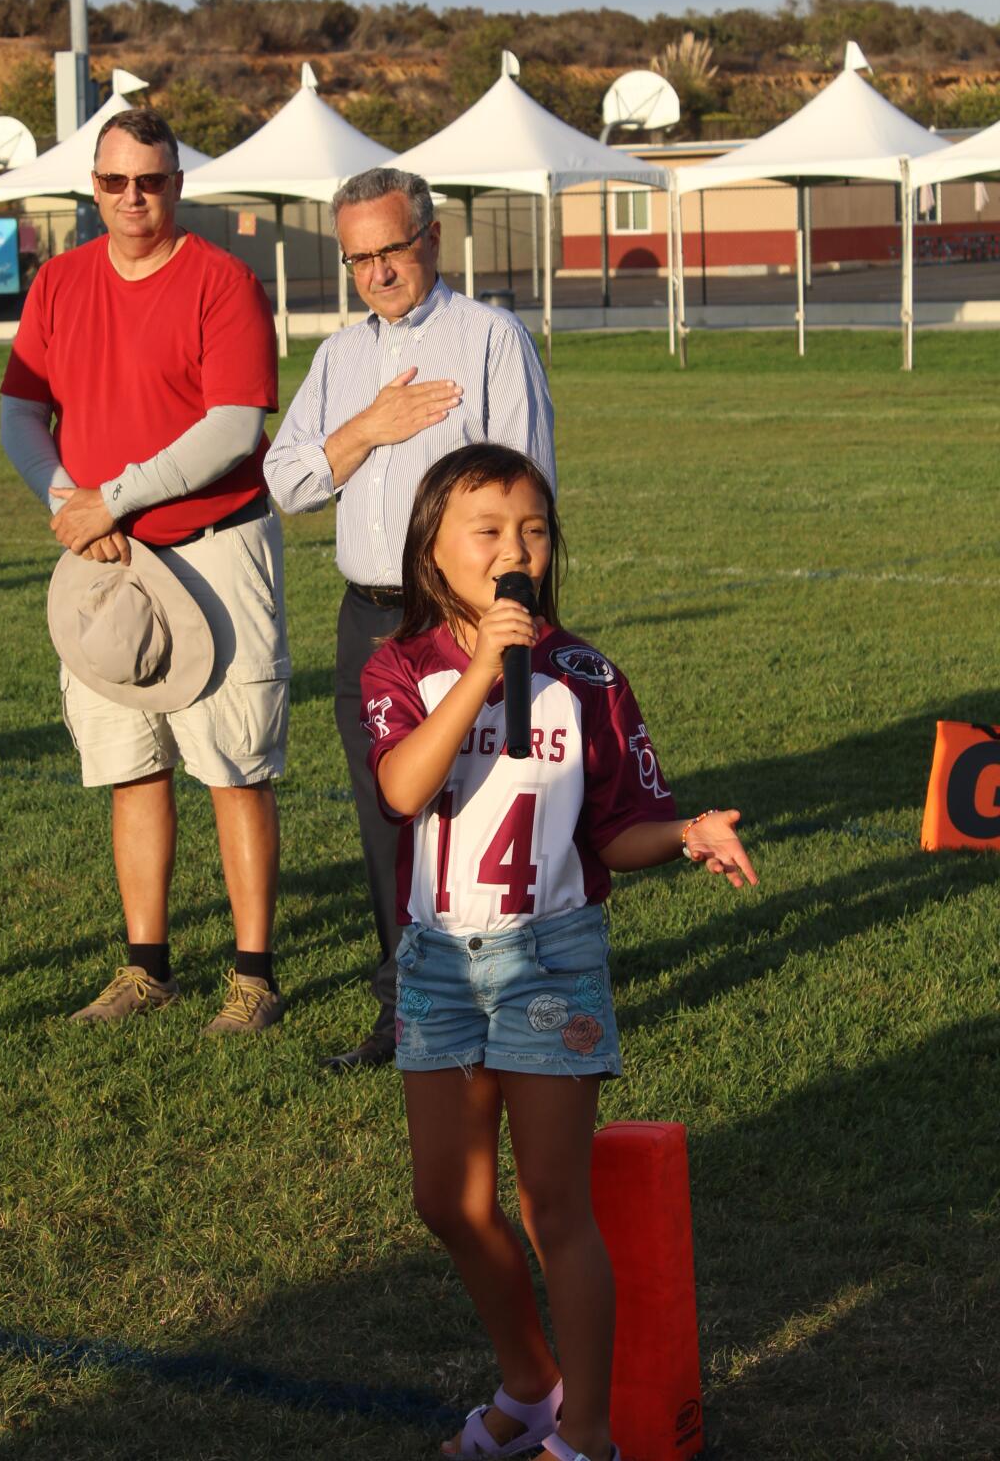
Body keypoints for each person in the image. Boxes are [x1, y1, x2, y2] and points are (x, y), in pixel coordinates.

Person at [360, 443, 757, 1461]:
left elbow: (617, 829)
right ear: (432, 552)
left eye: (532, 529)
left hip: (551, 953)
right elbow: (404, 791)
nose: (514, 550)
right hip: (440, 954)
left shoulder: (587, 675)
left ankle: (583, 1436)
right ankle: (531, 1383)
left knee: (553, 1203)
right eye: (487, 531)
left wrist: (685, 836)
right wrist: (484, 669)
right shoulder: (397, 666)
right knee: (445, 1200)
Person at [0, 106, 290, 1031]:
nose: (133, 198)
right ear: (93, 186)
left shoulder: (222, 281)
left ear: (177, 185)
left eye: (152, 182)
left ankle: (252, 978)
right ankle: (145, 969)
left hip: (215, 547)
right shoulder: (59, 282)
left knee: (234, 765)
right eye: (115, 182)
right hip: (103, 560)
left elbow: (235, 426)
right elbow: (20, 415)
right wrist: (69, 507)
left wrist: (111, 497)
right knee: (131, 766)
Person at [264, 167, 555, 1072]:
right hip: (367, 620)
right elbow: (287, 482)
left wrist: (507, 621)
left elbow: (526, 493)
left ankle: (513, 999)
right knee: (386, 819)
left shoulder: (490, 340)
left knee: (487, 809)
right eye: (358, 259)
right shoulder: (337, 360)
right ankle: (406, 1013)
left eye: (391, 249)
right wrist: (370, 426)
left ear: (432, 238)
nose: (378, 272)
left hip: (460, 622)